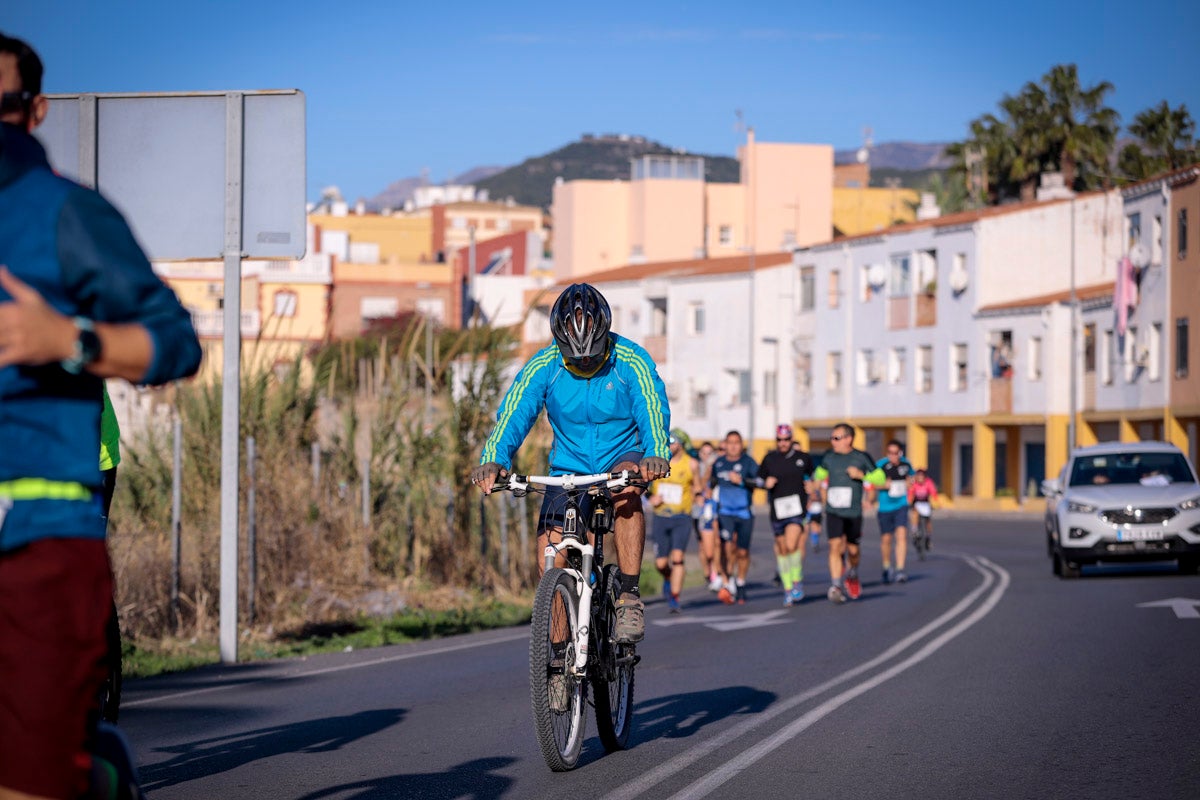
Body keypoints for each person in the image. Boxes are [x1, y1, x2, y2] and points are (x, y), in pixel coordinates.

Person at [0, 31, 203, 800]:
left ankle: (97, 776)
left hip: (37, 545)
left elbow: (177, 342)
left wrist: (70, 339)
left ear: (35, 110)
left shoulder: (64, 215)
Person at [471, 283, 670, 644]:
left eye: (592, 356)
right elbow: (514, 412)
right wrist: (493, 460)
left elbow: (651, 406)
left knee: (627, 493)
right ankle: (559, 657)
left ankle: (628, 597)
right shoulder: (544, 365)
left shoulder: (632, 360)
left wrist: (655, 452)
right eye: (574, 358)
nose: (583, 364)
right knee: (552, 551)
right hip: (569, 467)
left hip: (623, 456)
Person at [812, 423, 886, 604]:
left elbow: (881, 478)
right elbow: (818, 476)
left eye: (836, 438)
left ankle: (852, 573)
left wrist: (861, 475)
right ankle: (836, 585)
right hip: (833, 510)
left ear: (848, 439)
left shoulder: (861, 457)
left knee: (853, 550)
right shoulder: (828, 457)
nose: (833, 441)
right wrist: (813, 485)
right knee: (835, 546)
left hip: (853, 511)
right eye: (832, 438)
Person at [758, 424, 816, 606]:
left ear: (791, 439)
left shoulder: (803, 458)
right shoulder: (769, 459)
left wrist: (813, 488)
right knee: (782, 549)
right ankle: (788, 589)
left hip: (796, 510)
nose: (783, 443)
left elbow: (814, 478)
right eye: (779, 440)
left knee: (792, 545)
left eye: (786, 439)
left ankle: (797, 580)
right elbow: (759, 478)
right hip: (777, 510)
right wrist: (765, 483)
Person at [649, 430, 702, 613]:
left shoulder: (692, 464)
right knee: (661, 563)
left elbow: (697, 486)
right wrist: (651, 498)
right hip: (661, 517)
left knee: (678, 557)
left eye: (673, 441)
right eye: (667, 441)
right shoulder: (657, 461)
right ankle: (668, 578)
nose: (670, 445)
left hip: (682, 517)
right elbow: (646, 486)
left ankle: (674, 597)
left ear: (681, 444)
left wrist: (699, 496)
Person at [709, 430, 758, 605]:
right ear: (725, 444)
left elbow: (760, 482)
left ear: (741, 444)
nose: (733, 446)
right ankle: (727, 582)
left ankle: (741, 582)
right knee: (725, 546)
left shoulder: (748, 462)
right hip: (725, 512)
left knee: (742, 552)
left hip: (744, 512)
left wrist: (743, 481)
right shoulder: (719, 463)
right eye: (730, 442)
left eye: (736, 442)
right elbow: (712, 483)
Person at [875, 439, 914, 584]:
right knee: (886, 539)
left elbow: (912, 478)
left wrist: (910, 483)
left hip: (901, 505)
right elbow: (871, 483)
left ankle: (900, 569)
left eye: (896, 453)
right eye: (890, 453)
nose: (893, 456)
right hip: (885, 507)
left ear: (900, 453)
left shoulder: (906, 464)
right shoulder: (881, 465)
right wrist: (883, 485)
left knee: (902, 535)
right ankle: (886, 566)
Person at [693, 440, 723, 592]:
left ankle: (716, 574)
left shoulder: (718, 466)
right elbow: (699, 485)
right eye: (704, 453)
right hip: (699, 511)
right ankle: (708, 573)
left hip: (713, 509)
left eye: (710, 453)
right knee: (704, 546)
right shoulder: (697, 467)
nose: (707, 456)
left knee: (716, 542)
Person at [908, 469, 939, 550]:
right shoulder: (914, 484)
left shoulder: (928, 482)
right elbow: (910, 494)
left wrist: (936, 502)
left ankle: (928, 536)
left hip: (925, 503)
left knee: (928, 520)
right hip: (916, 503)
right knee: (914, 513)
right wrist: (909, 502)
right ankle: (914, 530)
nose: (920, 478)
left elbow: (933, 493)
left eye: (922, 476)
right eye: (918, 476)